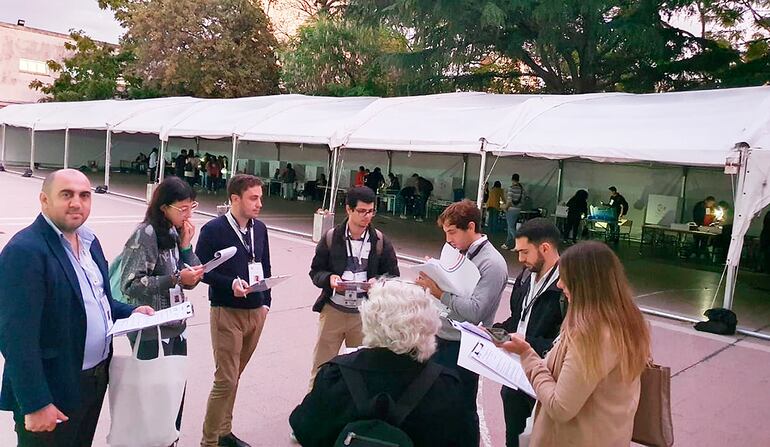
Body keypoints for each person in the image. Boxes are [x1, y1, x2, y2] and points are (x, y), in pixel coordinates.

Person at [0, 169, 154, 446]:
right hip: (52, 388)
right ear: (44, 200)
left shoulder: (89, 241)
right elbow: (16, 338)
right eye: (66, 194)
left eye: (84, 195)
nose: (76, 203)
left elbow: (96, 299)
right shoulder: (25, 251)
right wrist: (36, 403)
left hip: (93, 381)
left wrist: (129, 311)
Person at [290, 280, 477, 447]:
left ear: (369, 320)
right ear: (429, 325)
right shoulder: (445, 386)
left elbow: (305, 431)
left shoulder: (335, 375)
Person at [500, 241, 651, 447]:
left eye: (565, 278)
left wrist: (527, 355)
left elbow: (560, 407)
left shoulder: (592, 335)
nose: (560, 285)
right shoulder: (627, 322)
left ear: (586, 284)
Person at [116, 177, 205, 436]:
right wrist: (174, 278)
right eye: (183, 208)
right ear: (164, 207)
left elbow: (191, 280)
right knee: (153, 399)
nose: (188, 215)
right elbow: (130, 284)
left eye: (192, 207)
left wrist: (186, 248)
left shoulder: (175, 232)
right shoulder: (146, 234)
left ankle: (169, 438)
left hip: (176, 326)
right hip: (151, 329)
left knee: (174, 395)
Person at [415, 199, 508, 445]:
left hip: (464, 344)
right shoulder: (458, 252)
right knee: (433, 401)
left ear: (471, 227)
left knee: (462, 407)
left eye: (453, 232)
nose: (448, 239)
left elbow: (475, 311)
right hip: (440, 335)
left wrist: (439, 292)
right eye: (446, 233)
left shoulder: (492, 264)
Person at [196, 174, 273, 447]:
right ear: (234, 199)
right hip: (226, 311)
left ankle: (224, 432)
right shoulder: (213, 230)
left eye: (260, 198)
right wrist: (230, 284)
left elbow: (265, 266)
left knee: (235, 376)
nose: (259, 203)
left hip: (256, 311)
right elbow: (200, 270)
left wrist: (266, 303)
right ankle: (209, 441)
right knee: (225, 379)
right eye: (253, 198)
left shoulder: (259, 229)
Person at [307, 186, 400, 390]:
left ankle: (355, 405)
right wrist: (329, 278)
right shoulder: (331, 237)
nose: (367, 216)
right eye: (362, 211)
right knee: (322, 366)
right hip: (333, 311)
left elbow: (393, 276)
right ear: (349, 209)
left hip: (364, 314)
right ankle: (316, 402)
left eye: (371, 211)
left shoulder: (380, 241)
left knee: (361, 369)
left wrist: (378, 282)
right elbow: (315, 272)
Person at [493, 218, 565, 447]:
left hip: (546, 380)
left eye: (525, 252)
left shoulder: (567, 287)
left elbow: (564, 344)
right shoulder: (525, 277)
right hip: (516, 378)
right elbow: (518, 320)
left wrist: (526, 344)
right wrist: (493, 331)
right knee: (513, 439)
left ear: (545, 248)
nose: (520, 259)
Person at [502, 173, 525, 250]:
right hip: (518, 210)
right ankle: (507, 243)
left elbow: (509, 201)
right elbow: (523, 200)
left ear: (512, 179)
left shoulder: (511, 188)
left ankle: (519, 244)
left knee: (511, 228)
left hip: (511, 210)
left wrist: (505, 208)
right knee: (510, 227)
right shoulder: (522, 189)